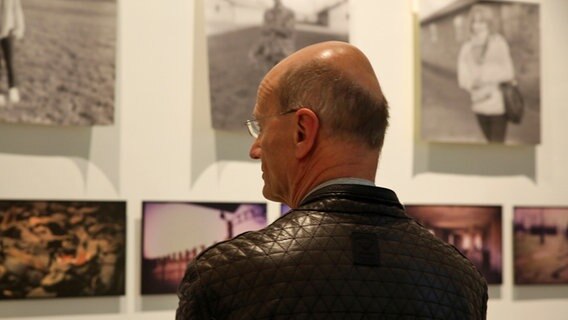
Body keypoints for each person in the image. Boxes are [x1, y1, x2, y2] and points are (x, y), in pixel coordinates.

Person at [177, 41, 488, 319]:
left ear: (302, 131)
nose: (255, 149)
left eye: (261, 128)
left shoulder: (226, 275)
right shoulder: (462, 280)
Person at [457, 4, 515, 143]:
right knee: (489, 142)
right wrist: (471, 83)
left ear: (489, 23)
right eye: (474, 21)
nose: (477, 25)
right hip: (478, 103)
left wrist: (484, 78)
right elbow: (462, 76)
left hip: (497, 104)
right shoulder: (466, 47)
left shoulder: (498, 42)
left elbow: (509, 72)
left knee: (497, 144)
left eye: (481, 21)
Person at [249, 0, 295, 73]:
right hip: (269, 53)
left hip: (283, 53)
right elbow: (263, 31)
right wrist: (256, 50)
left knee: (282, 80)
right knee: (269, 80)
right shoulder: (268, 13)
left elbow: (288, 32)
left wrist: (272, 27)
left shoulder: (288, 13)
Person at [0, 0, 25, 107]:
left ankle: (13, 89)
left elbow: (17, 11)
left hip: (8, 32)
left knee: (10, 62)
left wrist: (19, 29)